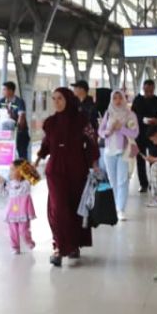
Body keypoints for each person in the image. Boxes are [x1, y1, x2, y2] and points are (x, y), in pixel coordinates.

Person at [34, 88, 100, 267]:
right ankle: (59, 247)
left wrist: (94, 165)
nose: (56, 102)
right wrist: (36, 161)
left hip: (77, 170)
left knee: (74, 208)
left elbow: (92, 142)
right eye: (54, 99)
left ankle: (73, 245)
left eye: (60, 99)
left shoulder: (82, 121)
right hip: (55, 171)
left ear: (68, 100)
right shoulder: (50, 123)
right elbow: (46, 144)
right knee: (58, 208)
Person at [98, 90, 139, 221]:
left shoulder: (130, 114)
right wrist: (108, 132)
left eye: (120, 98)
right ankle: (116, 205)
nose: (117, 101)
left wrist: (120, 128)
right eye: (115, 98)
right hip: (109, 152)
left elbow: (135, 133)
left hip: (124, 151)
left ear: (124, 99)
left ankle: (121, 209)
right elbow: (100, 131)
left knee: (123, 181)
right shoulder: (108, 113)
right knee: (113, 181)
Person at [131, 79, 157, 193]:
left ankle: (154, 182)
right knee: (140, 159)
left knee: (154, 159)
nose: (149, 93)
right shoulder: (137, 100)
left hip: (154, 135)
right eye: (146, 90)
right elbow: (132, 116)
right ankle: (143, 184)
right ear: (143, 88)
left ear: (154, 89)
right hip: (139, 134)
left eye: (151, 91)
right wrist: (143, 119)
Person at [3, 159, 39, 254]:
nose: (10, 172)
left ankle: (29, 241)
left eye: (12, 169)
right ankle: (15, 248)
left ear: (20, 171)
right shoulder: (9, 184)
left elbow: (36, 178)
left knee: (24, 231)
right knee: (13, 232)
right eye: (10, 169)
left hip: (24, 212)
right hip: (12, 212)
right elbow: (4, 193)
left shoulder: (26, 184)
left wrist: (28, 169)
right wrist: (0, 184)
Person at [0, 81, 30, 160]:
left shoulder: (19, 102)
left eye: (4, 90)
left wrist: (18, 127)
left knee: (22, 156)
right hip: (5, 134)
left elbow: (21, 117)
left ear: (11, 91)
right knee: (6, 155)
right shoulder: (1, 101)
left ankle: (23, 170)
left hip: (20, 134)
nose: (2, 92)